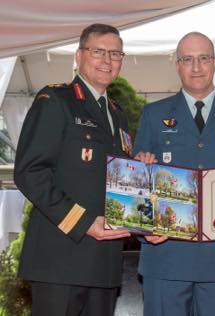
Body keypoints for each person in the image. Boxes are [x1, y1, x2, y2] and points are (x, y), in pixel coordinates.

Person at [133, 32, 215, 316]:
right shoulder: (153, 115)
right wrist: (145, 231)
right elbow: (136, 184)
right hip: (165, 257)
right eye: (188, 59)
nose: (196, 67)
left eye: (203, 58)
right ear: (177, 65)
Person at [14, 24, 135, 316]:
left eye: (116, 53)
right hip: (61, 260)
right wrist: (83, 223)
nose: (108, 60)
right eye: (98, 51)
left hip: (104, 263)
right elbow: (29, 172)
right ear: (79, 55)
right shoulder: (57, 101)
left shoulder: (117, 115)